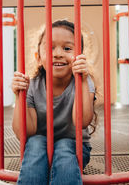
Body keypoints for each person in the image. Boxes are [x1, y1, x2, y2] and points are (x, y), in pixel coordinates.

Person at [11, 20, 97, 185]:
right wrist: (19, 95)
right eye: (50, 48)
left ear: (80, 56)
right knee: (35, 142)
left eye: (67, 48)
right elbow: (25, 132)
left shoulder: (84, 82)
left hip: (76, 147)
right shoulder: (33, 84)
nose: (58, 53)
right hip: (39, 149)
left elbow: (82, 122)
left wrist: (83, 81)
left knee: (64, 146)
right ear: (38, 57)